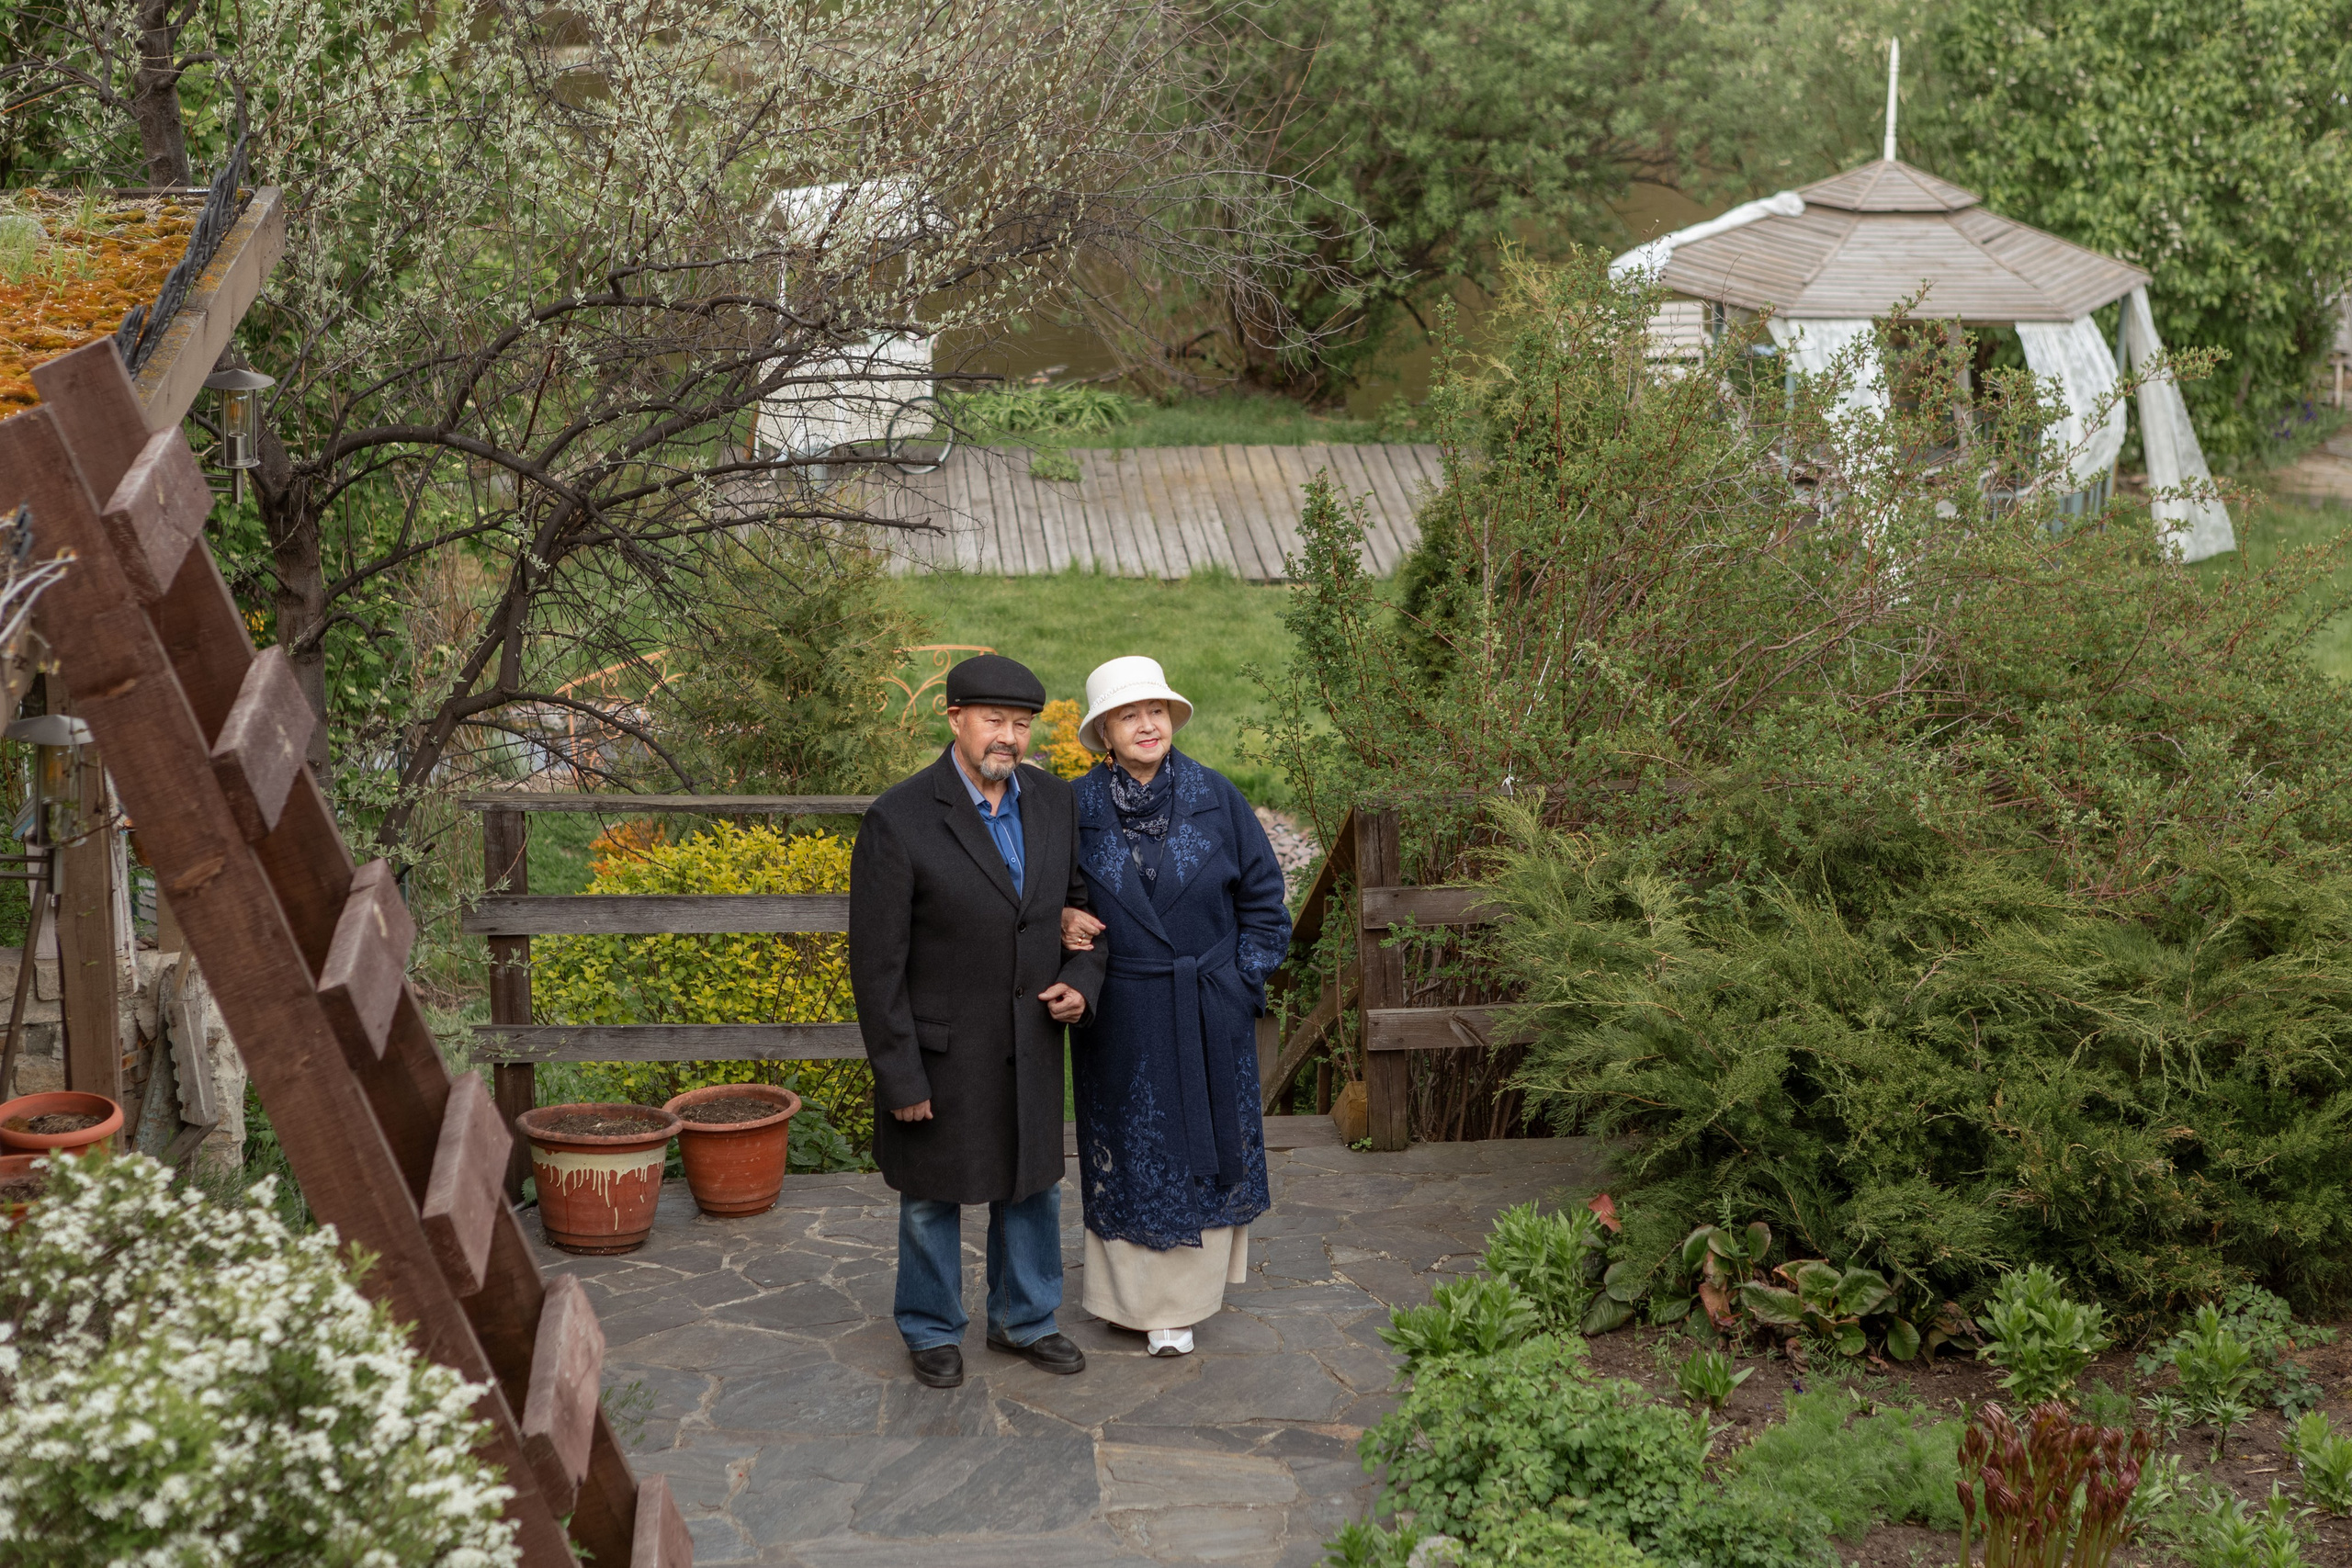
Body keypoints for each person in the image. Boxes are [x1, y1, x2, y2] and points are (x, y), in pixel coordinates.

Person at [848, 653, 1107, 1390]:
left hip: (1028, 1042)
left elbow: (1084, 914)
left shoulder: (1054, 804)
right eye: (994, 720)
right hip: (940, 1052)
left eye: (1021, 725)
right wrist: (899, 1073)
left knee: (1030, 1187)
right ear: (955, 717)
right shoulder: (897, 820)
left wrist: (1080, 983)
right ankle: (930, 1327)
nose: (1009, 738)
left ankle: (1025, 1319)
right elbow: (876, 965)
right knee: (931, 1199)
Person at [1058, 655, 1292, 1356]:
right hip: (1121, 1014)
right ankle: (1122, 1299)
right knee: (1129, 1153)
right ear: (1105, 732)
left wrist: (1239, 984)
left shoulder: (1216, 797)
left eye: (1156, 710)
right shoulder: (1074, 808)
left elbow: (1265, 903)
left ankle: (1180, 1306)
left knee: (1201, 1149)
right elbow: (1049, 896)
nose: (1147, 724)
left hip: (1205, 1008)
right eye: (1129, 714)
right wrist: (1062, 926)